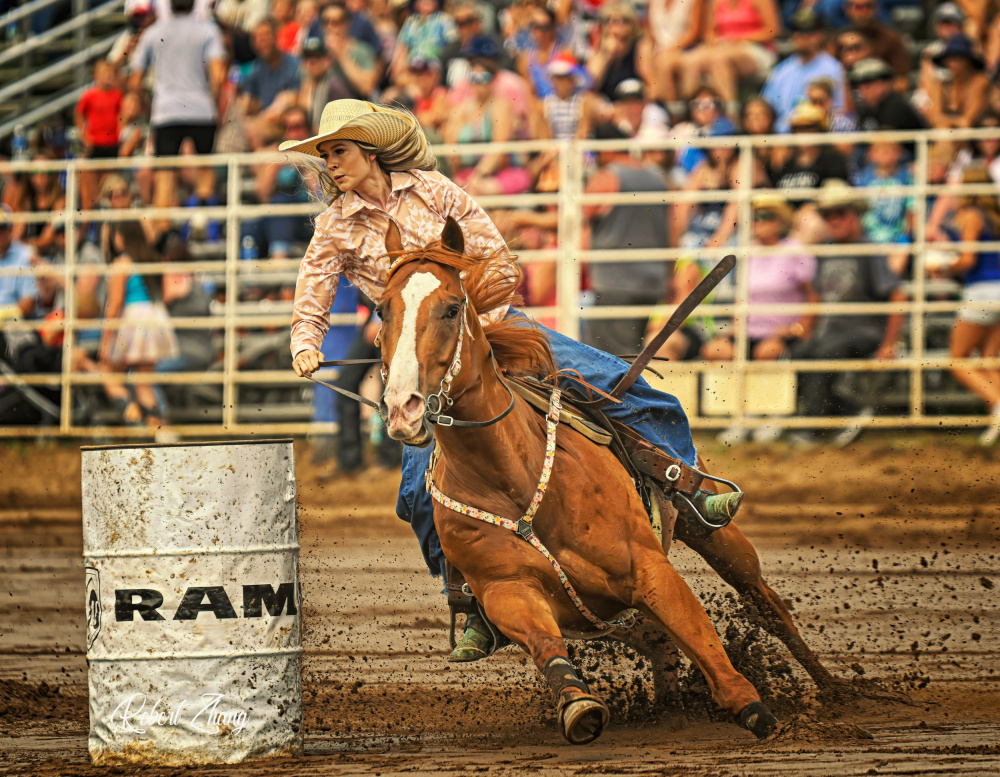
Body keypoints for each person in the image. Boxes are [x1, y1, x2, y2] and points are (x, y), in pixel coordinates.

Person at [284, 99, 737, 661]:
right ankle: (472, 601)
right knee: (416, 495)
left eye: (340, 150)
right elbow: (314, 288)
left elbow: (497, 258)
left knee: (628, 387)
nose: (331, 163)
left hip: (492, 326)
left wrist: (462, 316)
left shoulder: (434, 190)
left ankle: (686, 487)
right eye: (326, 154)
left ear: (370, 151)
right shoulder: (335, 227)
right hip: (421, 360)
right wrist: (307, 343)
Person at [788, 179, 906, 447]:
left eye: (840, 214)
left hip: (862, 332)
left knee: (821, 353)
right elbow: (816, 296)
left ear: (855, 216)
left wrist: (889, 344)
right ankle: (848, 411)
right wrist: (807, 328)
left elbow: (898, 295)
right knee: (799, 353)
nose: (834, 221)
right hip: (831, 333)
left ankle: (815, 428)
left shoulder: (869, 251)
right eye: (828, 216)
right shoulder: (826, 251)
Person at [701, 194, 817, 445]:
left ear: (780, 222)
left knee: (767, 352)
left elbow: (812, 296)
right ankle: (737, 414)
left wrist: (800, 328)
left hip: (782, 330)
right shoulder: (746, 251)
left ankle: (771, 414)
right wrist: (735, 324)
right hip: (749, 328)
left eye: (765, 217)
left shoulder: (795, 251)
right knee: (716, 350)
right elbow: (740, 295)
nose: (758, 222)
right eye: (754, 218)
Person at [129, 0, 227, 236]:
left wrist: (147, 105)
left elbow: (134, 80)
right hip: (201, 109)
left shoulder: (154, 32)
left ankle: (164, 233)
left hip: (166, 111)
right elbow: (219, 75)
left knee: (164, 176)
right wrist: (212, 105)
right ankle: (201, 218)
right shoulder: (207, 30)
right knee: (204, 166)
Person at [582, 122, 671, 356]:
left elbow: (576, 218)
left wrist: (528, 218)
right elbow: (673, 228)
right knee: (633, 354)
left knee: (610, 360)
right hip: (652, 281)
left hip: (616, 282)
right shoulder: (658, 178)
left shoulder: (607, 178)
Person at [936, 165, 1000, 446]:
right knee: (988, 361)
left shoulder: (971, 215)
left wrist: (942, 265)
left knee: (958, 359)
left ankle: (998, 406)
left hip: (981, 292)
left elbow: (968, 260)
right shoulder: (995, 216)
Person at [100, 220, 179, 427]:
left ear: (123, 236)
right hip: (155, 318)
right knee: (143, 381)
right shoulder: (152, 259)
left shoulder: (122, 264)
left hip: (134, 320)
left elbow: (115, 303)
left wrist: (106, 339)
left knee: (107, 373)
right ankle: (156, 429)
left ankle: (130, 410)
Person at [677, 0, 781, 110]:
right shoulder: (716, 2)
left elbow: (772, 31)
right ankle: (693, 112)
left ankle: (730, 114)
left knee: (719, 60)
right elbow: (709, 32)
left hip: (756, 48)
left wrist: (738, 39)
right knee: (691, 60)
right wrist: (715, 41)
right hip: (724, 47)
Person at [761, 8, 847, 133]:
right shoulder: (782, 70)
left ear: (820, 35)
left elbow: (841, 110)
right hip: (785, 137)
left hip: (819, 133)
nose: (801, 37)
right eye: (797, 31)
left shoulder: (834, 68)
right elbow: (767, 107)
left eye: (808, 32)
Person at [853, 137, 913, 274]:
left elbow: (911, 207)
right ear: (871, 154)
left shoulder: (906, 176)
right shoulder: (864, 177)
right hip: (869, 235)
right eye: (880, 151)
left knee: (897, 262)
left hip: (897, 235)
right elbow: (858, 208)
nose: (884, 155)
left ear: (898, 154)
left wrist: (908, 231)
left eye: (889, 151)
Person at [240, 19, 303, 149]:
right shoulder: (257, 68)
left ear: (275, 36)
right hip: (263, 125)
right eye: (256, 38)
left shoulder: (292, 64)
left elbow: (288, 102)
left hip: (287, 125)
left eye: (265, 35)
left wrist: (254, 122)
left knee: (251, 131)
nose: (261, 41)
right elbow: (245, 103)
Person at [76, 61, 124, 213]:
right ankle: (91, 217)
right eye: (104, 73)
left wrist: (120, 131)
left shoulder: (117, 95)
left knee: (108, 184)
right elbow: (79, 115)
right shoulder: (89, 95)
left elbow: (121, 116)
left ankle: (105, 214)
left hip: (112, 144)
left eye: (110, 73)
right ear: (95, 75)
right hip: (95, 144)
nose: (107, 76)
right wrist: (84, 136)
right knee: (91, 189)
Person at [837, 0, 909, 91]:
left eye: (868, 6)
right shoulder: (839, 39)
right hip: (847, 97)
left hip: (882, 98)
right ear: (847, 9)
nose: (863, 12)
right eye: (858, 7)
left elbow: (902, 82)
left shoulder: (891, 38)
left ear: (876, 8)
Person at [923, 34, 989, 131]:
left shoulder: (980, 83)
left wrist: (946, 122)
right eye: (950, 58)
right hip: (945, 134)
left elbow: (970, 121)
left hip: (973, 138)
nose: (953, 62)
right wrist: (953, 123)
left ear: (968, 60)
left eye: (958, 57)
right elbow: (934, 118)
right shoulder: (940, 85)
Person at [850, 57, 926, 135]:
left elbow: (886, 145)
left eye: (869, 84)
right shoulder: (867, 109)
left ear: (887, 83)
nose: (864, 91)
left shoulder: (895, 107)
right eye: (860, 86)